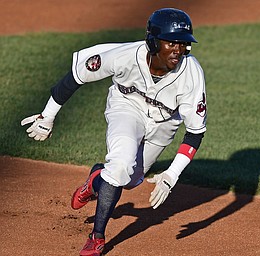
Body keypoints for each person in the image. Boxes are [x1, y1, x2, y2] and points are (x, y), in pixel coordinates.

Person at [21, 8, 207, 256]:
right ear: (153, 41)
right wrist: (48, 115)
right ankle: (97, 237)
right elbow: (77, 76)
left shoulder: (191, 73)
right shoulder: (124, 56)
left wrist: (172, 175)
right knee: (120, 166)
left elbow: (195, 132)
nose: (178, 50)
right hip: (126, 106)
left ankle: (96, 180)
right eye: (171, 42)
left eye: (183, 44)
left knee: (130, 180)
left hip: (165, 122)